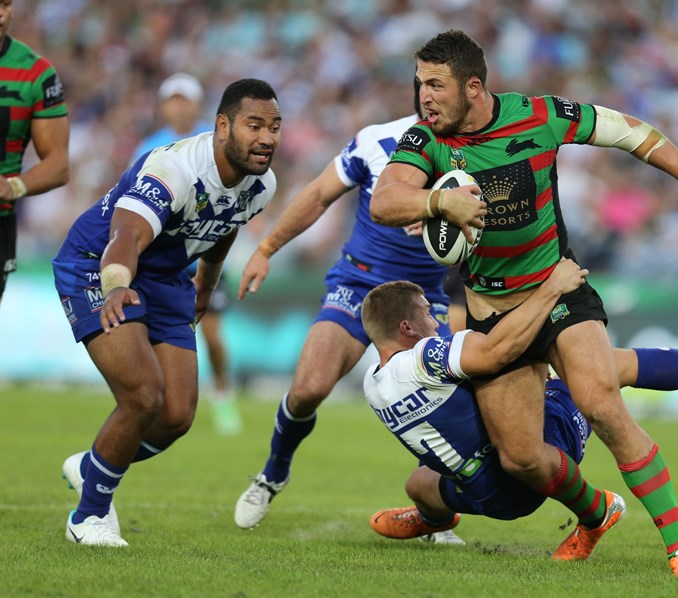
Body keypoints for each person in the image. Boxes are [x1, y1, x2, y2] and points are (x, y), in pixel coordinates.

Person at [370, 29, 678, 576]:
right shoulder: (425, 140)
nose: (424, 97)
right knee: (522, 459)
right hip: (492, 316)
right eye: (419, 84)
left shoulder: (540, 115)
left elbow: (629, 132)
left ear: (474, 87)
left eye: (436, 85)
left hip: (558, 290)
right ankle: (597, 514)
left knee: (602, 401)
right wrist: (440, 201)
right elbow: (385, 200)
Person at [363, 278, 678, 572]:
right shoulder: (423, 357)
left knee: (418, 483)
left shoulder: (373, 384)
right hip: (533, 463)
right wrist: (550, 290)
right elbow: (495, 350)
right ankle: (597, 511)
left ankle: (434, 518)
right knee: (597, 371)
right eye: (427, 316)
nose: (436, 322)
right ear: (407, 329)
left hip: (483, 496)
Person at [52, 78, 281, 547]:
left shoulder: (262, 184)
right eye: (255, 125)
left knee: (176, 415)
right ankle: (88, 516)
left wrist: (207, 284)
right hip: (99, 266)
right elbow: (125, 236)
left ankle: (91, 465)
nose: (267, 138)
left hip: (169, 277)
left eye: (275, 127)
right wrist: (116, 286)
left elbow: (226, 225)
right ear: (223, 126)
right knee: (143, 394)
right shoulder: (174, 169)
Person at [233, 85, 465, 545]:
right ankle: (273, 473)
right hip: (358, 285)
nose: (433, 102)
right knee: (308, 389)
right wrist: (266, 248)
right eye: (427, 90)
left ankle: (433, 517)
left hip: (425, 298)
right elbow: (319, 194)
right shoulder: (377, 141)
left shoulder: (475, 154)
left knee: (442, 407)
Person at [131, 73, 241, 436]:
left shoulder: (215, 145)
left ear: (197, 106)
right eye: (173, 100)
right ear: (164, 106)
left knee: (211, 334)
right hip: (160, 261)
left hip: (203, 256)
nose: (179, 106)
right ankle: (155, 397)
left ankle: (223, 393)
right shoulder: (149, 146)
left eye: (185, 100)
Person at [0, 0, 69, 306]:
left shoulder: (36, 72)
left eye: (5, 4)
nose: (1, 14)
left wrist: (12, 186)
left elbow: (58, 164)